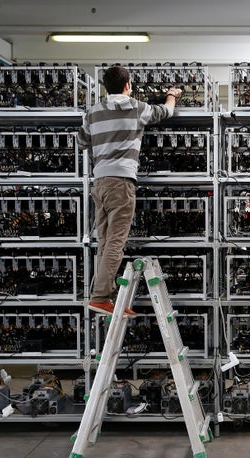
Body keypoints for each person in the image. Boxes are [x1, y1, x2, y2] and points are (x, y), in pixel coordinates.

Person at [77, 66, 182, 316]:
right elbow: (166, 112)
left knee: (104, 240)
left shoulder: (93, 112)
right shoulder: (135, 107)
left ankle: (105, 294)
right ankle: (101, 296)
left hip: (99, 182)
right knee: (116, 241)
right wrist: (172, 94)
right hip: (121, 181)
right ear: (128, 85)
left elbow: (81, 141)